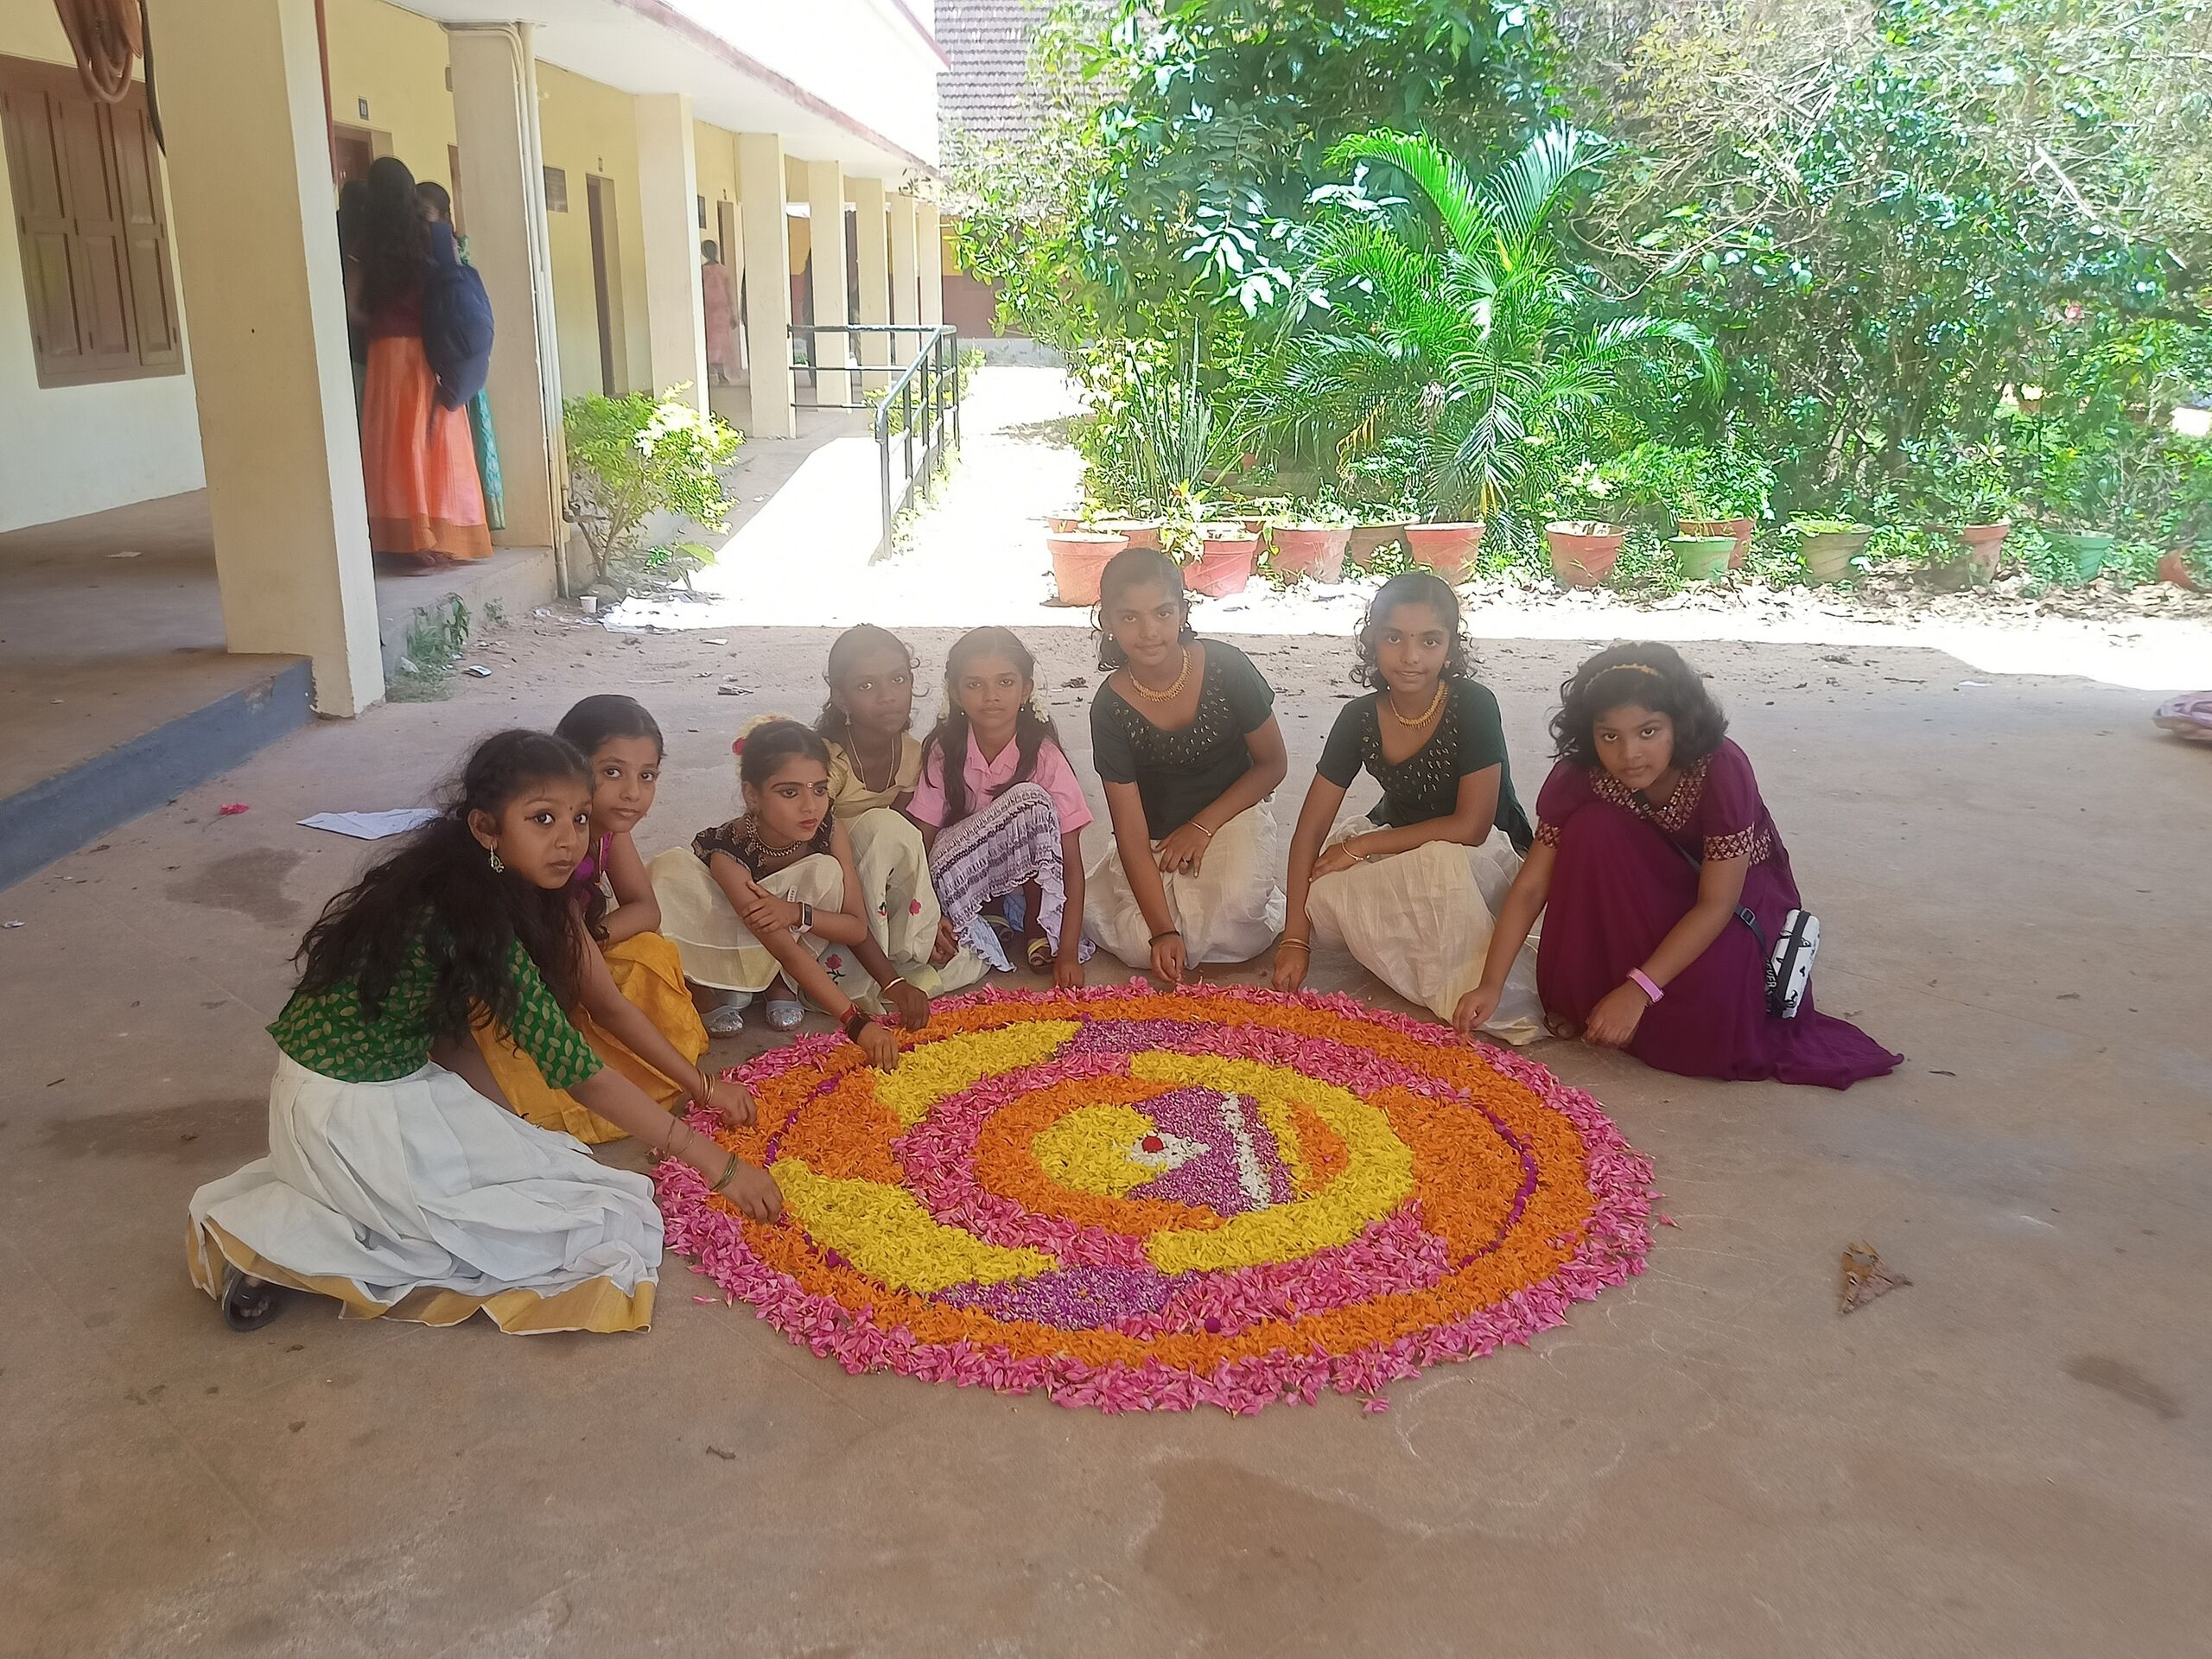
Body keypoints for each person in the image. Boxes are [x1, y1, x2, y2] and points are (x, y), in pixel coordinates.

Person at [187, 731, 779, 1338]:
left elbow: (448, 1035)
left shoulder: (460, 883)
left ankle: (319, 1216)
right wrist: (719, 1166)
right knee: (538, 1232)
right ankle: (270, 1252)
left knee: (537, 1169)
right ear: (486, 828)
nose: (568, 839)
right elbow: (581, 1074)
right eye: (542, 819)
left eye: (579, 818)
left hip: (348, 1087)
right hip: (350, 1111)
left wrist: (507, 1130)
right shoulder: (474, 916)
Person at [1454, 644, 1903, 1088]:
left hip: (1734, 896)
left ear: (1680, 725)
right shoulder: (1580, 775)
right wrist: (1491, 984)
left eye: (1648, 732)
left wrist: (1638, 991)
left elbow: (1716, 903)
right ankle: (1599, 999)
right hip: (1648, 882)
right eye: (1609, 736)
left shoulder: (1722, 769)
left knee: (1711, 1027)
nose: (1629, 754)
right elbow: (1532, 887)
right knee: (1591, 830)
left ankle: (1631, 999)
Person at [1271, 571, 1541, 1039]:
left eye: (1429, 641)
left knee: (1437, 867)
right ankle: (1417, 940)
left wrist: (1361, 847)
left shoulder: (1474, 705)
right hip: (1401, 846)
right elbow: (1310, 829)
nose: (1411, 656)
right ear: (1372, 641)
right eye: (1394, 638)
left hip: (1481, 857)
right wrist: (1296, 938)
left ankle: (1441, 960)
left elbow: (1472, 826)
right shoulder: (1359, 718)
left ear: (1450, 647)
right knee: (1320, 892)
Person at [471, 696, 714, 1143]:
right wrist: (705, 1088)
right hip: (506, 989)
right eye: (612, 772)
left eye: (647, 775)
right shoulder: (551, 854)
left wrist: (587, 941)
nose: (633, 793)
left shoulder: (605, 834)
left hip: (563, 956)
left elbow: (646, 909)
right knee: (537, 1081)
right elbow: (606, 1006)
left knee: (650, 952)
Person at [648, 719, 923, 1065]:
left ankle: (778, 982)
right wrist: (856, 1023)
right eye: (789, 792)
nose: (810, 806)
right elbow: (780, 944)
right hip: (722, 927)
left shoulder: (828, 830)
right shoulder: (728, 850)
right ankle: (702, 989)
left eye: (819, 789)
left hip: (781, 933)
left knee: (825, 871)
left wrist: (796, 913)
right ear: (752, 795)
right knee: (669, 872)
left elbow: (855, 927)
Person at [1084, 548, 1288, 981]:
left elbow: (1273, 765)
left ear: (1182, 611)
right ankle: (1131, 893)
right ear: (1107, 623)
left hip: (1232, 815)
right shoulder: (1110, 708)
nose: (1149, 632)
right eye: (1129, 617)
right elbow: (1130, 829)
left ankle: (1265, 898)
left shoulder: (1227, 666)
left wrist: (1202, 826)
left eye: (1162, 613)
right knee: (1143, 943)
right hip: (1156, 837)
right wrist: (1162, 932)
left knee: (1236, 916)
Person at [908, 626, 1093, 989]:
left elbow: (1070, 861)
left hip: (1024, 884)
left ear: (1026, 690)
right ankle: (985, 912)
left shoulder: (1044, 757)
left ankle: (1037, 924)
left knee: (1032, 803)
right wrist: (925, 916)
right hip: (959, 879)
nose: (990, 696)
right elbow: (922, 840)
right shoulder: (944, 751)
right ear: (955, 693)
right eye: (974, 684)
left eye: (1005, 682)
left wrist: (1069, 951)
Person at [816, 625, 987, 1003]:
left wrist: (930, 914)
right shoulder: (827, 761)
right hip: (833, 885)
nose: (888, 697)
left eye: (898, 679)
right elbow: (809, 841)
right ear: (841, 699)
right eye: (866, 686)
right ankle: (880, 964)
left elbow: (915, 845)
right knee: (883, 827)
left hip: (886, 885)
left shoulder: (912, 754)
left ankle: (908, 945)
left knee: (901, 835)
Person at [346, 156, 491, 566]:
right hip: (430, 351)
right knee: (435, 438)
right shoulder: (433, 238)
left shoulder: (365, 244)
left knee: (393, 445)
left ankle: (403, 540)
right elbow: (455, 292)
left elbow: (352, 307)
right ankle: (441, 535)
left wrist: (382, 324)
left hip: (385, 355)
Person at [416, 180, 505, 531]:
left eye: (425, 216)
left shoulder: (450, 253)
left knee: (454, 442)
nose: (419, 224)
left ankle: (461, 524)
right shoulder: (423, 251)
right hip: (442, 358)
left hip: (456, 360)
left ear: (444, 217)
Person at [701, 239, 738, 385]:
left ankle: (713, 374)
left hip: (709, 313)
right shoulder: (722, 270)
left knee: (711, 344)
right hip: (720, 313)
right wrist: (732, 313)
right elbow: (729, 293)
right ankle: (720, 375)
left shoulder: (702, 271)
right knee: (720, 345)